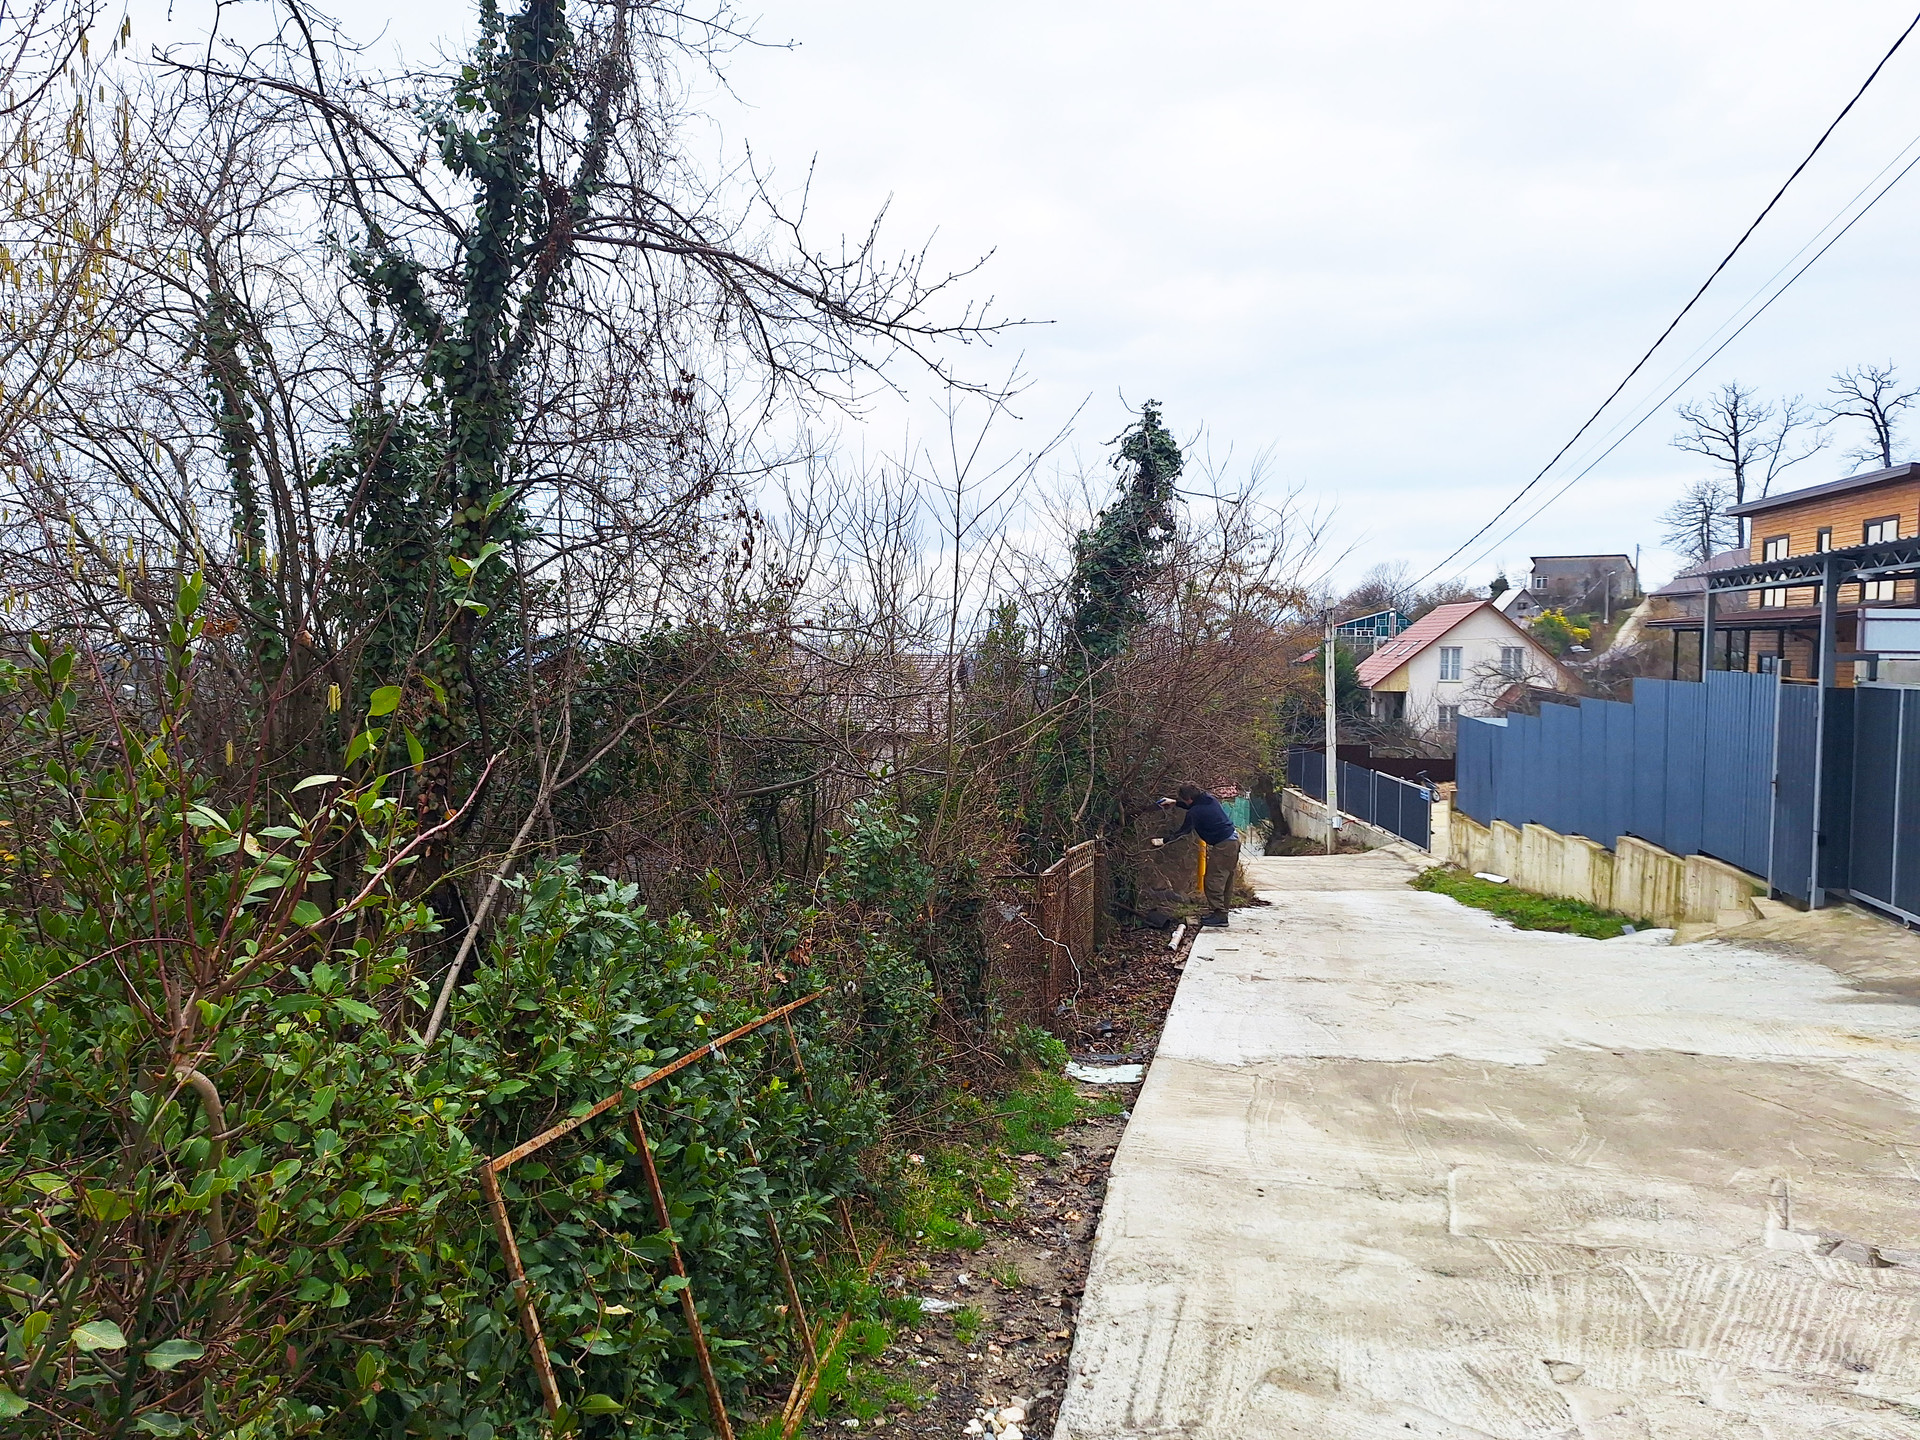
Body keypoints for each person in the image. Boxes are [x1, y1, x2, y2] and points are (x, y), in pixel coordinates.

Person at [1151, 782, 1240, 927]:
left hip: (1224, 846)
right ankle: (1221, 913)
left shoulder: (1195, 812)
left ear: (1189, 799)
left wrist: (1163, 840)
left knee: (1213, 880)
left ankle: (1220, 915)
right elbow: (1193, 805)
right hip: (1232, 841)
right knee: (1226, 879)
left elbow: (1183, 831)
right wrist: (1175, 803)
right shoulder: (1208, 799)